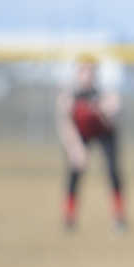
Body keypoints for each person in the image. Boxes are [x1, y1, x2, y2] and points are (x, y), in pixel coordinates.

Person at [55, 54, 126, 231]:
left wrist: (105, 111)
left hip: (104, 133)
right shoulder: (69, 96)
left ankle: (119, 217)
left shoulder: (104, 94)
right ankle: (69, 218)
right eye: (83, 70)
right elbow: (66, 126)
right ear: (77, 73)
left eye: (91, 70)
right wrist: (76, 149)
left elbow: (113, 118)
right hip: (81, 135)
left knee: (112, 170)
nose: (87, 74)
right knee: (74, 171)